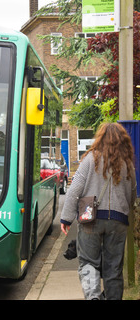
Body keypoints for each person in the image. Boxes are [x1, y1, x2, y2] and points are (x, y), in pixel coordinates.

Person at [60, 122, 137, 300]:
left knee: (88, 262)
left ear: (100, 138)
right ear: (122, 141)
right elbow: (132, 194)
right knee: (114, 268)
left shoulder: (90, 159)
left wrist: (66, 218)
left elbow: (74, 190)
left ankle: (93, 297)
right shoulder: (127, 164)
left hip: (90, 219)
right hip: (118, 221)